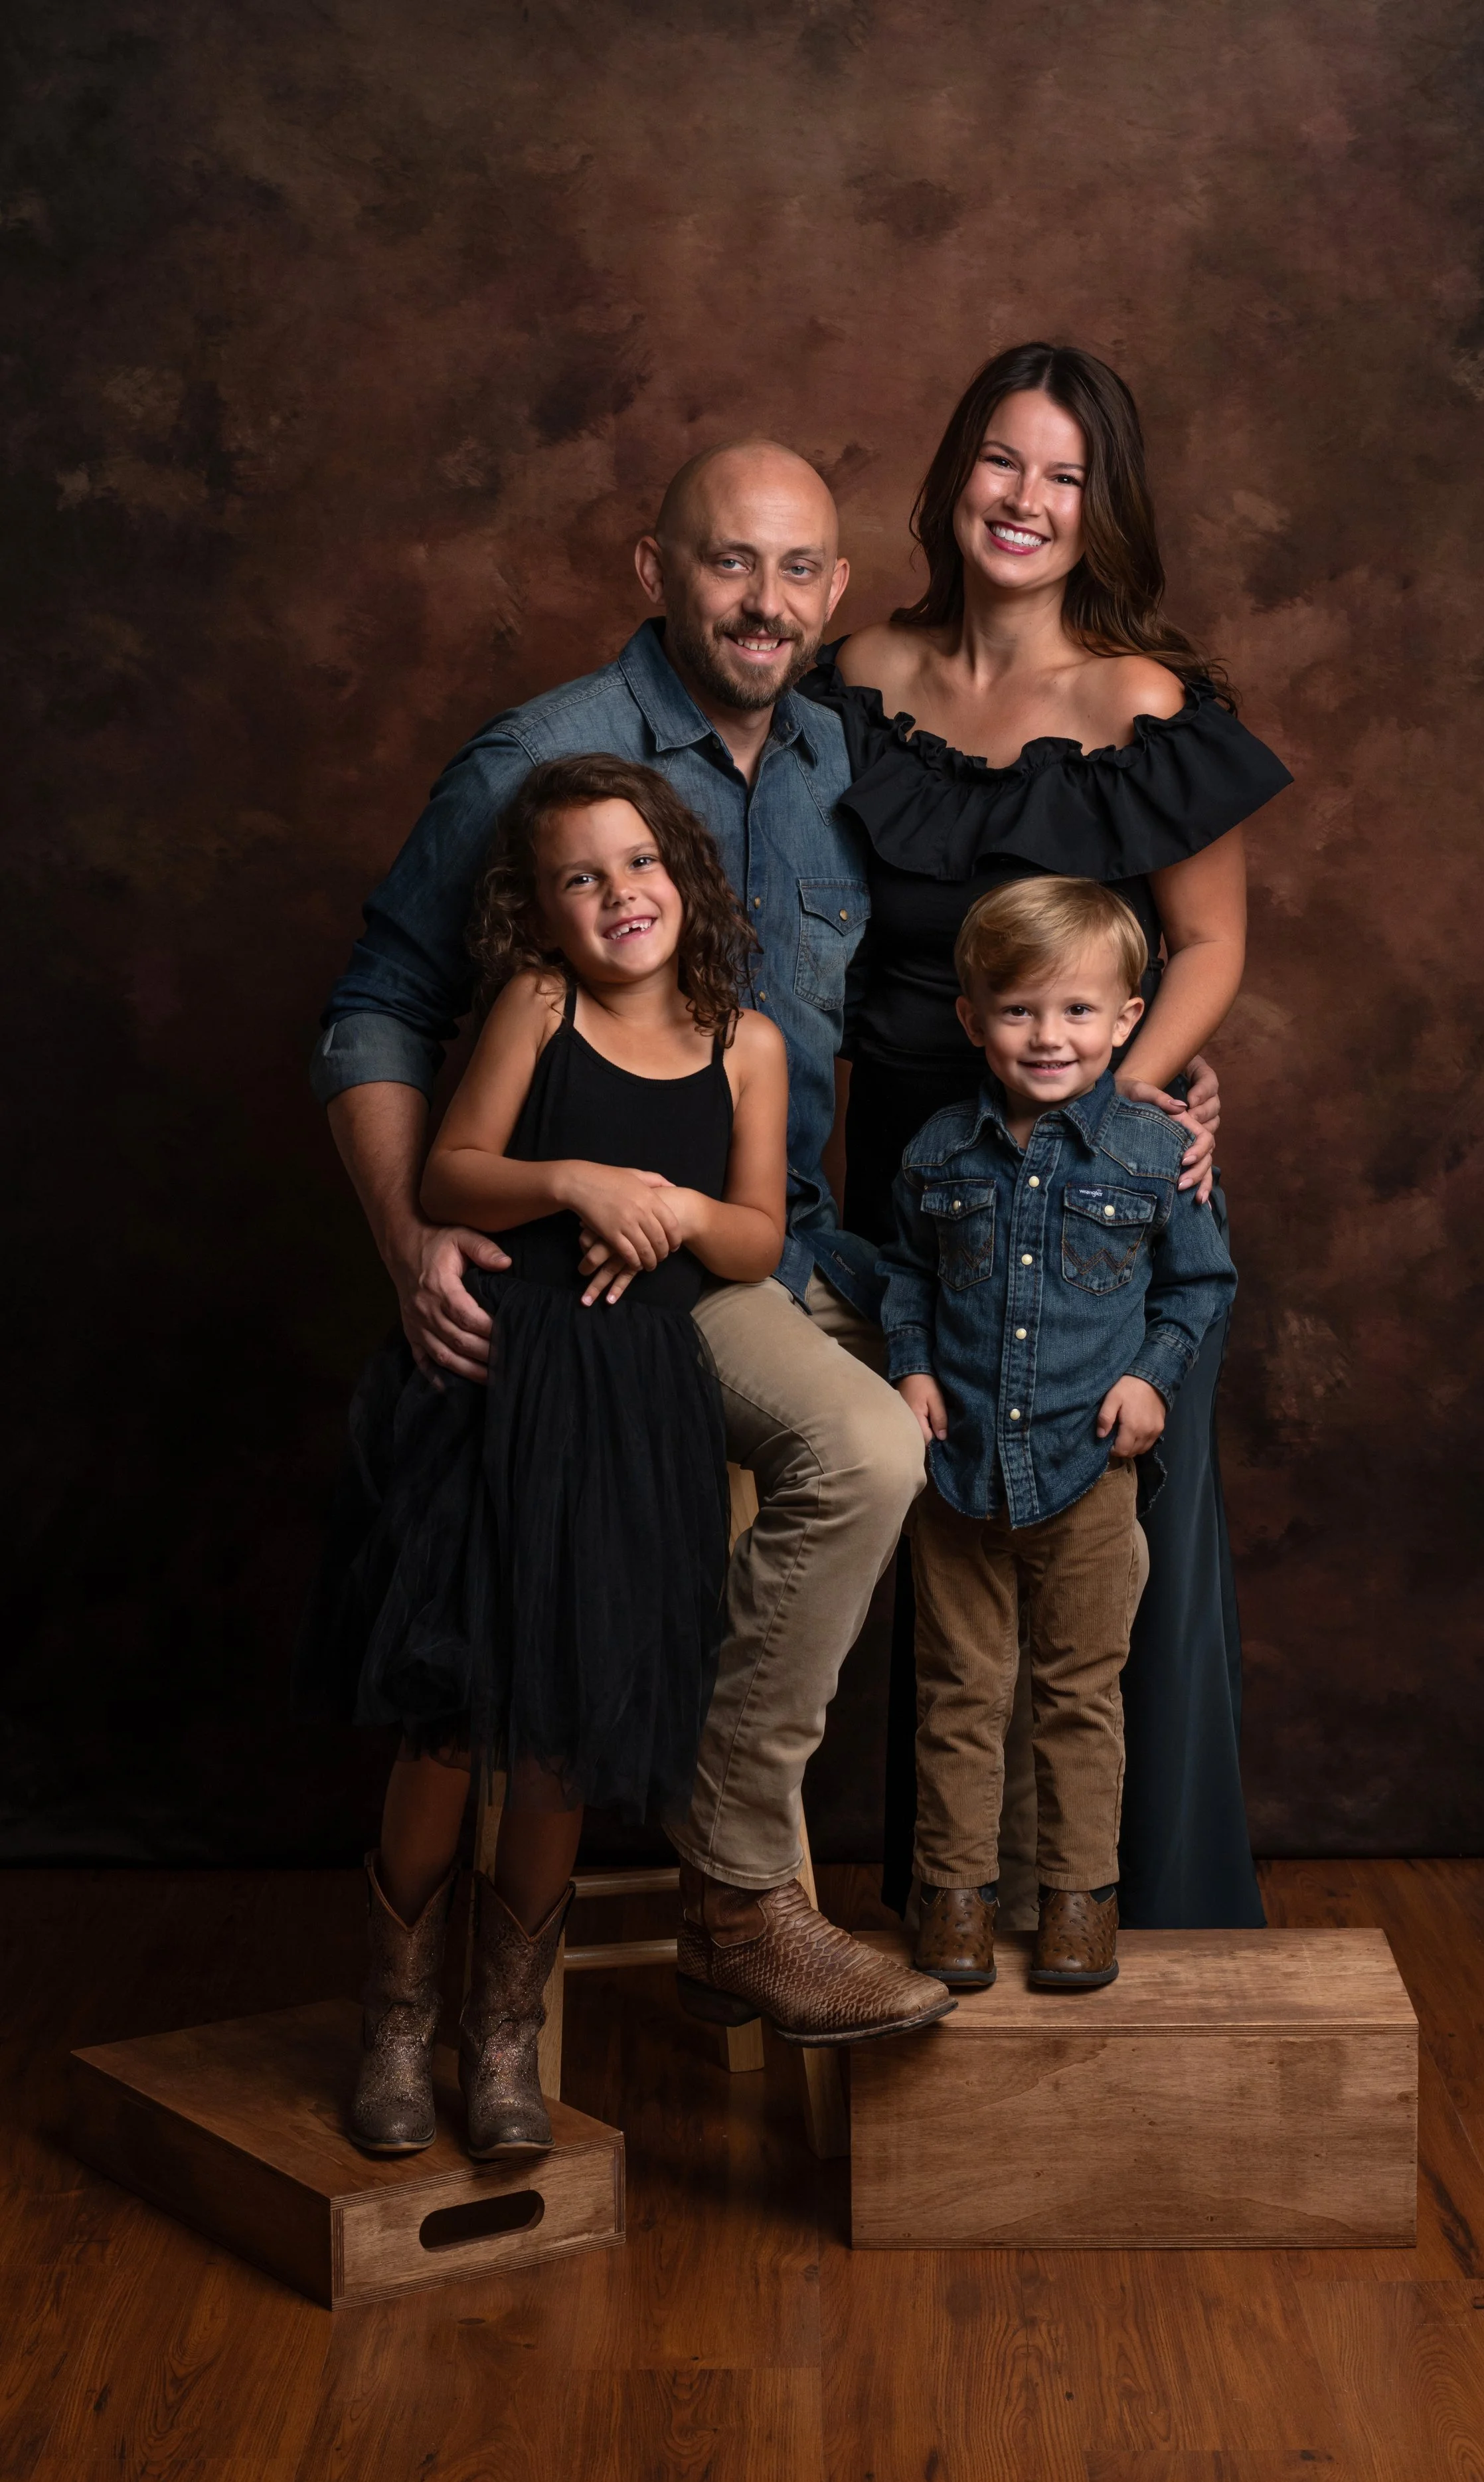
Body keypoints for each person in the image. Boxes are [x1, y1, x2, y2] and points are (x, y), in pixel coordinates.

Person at [309, 440, 948, 2048]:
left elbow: (915, 989)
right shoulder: (540, 764)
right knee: (847, 1457)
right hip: (581, 1275)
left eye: (799, 570)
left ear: (835, 593)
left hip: (770, 1252)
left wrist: (1137, 1071)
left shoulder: (828, 757)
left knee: (978, 1429)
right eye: (730, 562)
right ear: (653, 571)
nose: (766, 601)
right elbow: (374, 1008)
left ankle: (824, 1881)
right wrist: (410, 1235)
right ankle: (692, 1904)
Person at [802, 341, 1291, 1927]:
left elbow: (1205, 944)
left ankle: (1126, 1907)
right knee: (939, 1547)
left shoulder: (1145, 702)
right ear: (953, 476)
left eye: (1063, 475)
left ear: (1101, 510)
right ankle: (943, 1902)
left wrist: (1122, 1105)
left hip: (1094, 1206)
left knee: (1108, 1553)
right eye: (1001, 462)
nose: (1023, 499)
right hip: (894, 1168)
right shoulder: (856, 670)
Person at [306, 756, 800, 2155]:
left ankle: (502, 2037)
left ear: (682, 873)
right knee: (457, 1717)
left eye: (636, 863)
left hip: (638, 1405)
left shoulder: (746, 1044)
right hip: (502, 1388)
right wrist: (578, 1181)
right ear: (537, 911)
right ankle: (396, 2021)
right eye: (577, 878)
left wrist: (672, 1206)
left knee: (564, 1738)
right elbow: (451, 1170)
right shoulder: (539, 1006)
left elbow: (756, 1237)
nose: (616, 895)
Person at [880, 878, 1236, 1989]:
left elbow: (1198, 1286)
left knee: (1083, 1696)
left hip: (1092, 1473)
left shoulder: (1149, 1150)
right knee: (959, 1695)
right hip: (961, 1473)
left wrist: (1153, 1380)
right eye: (1020, 1010)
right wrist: (913, 1367)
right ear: (972, 1018)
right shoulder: (939, 1149)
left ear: (1129, 1018)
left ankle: (1081, 1902)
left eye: (1079, 1012)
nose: (1049, 1037)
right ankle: (955, 1901)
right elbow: (902, 1273)